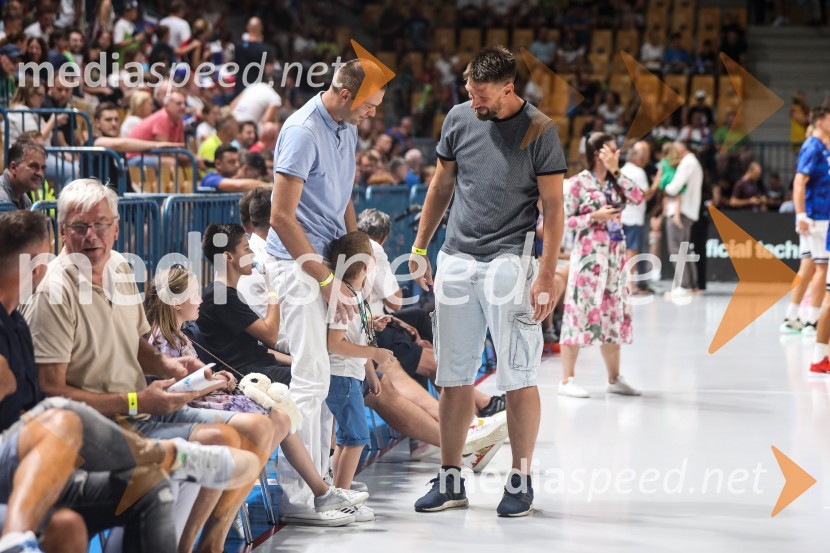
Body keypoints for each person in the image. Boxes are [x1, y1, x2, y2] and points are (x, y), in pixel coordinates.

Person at [19, 179, 274, 553]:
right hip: (99, 425)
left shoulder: (120, 267)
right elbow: (53, 392)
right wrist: (139, 401)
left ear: (117, 227)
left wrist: (171, 365)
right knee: (221, 441)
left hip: (141, 409)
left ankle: (208, 544)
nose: (92, 236)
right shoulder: (53, 294)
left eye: (101, 224)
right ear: (62, 232)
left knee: (261, 428)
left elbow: (137, 342)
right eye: (79, 226)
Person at [409, 46, 566, 517]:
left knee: (518, 376)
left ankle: (520, 480)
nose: (474, 102)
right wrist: (420, 247)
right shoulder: (458, 118)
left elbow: (554, 208)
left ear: (507, 88)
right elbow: (441, 185)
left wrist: (546, 274)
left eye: (482, 95)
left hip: (509, 262)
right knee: (454, 377)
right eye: (469, 92)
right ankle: (451, 477)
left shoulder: (540, 130)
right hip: (456, 256)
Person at [265, 59, 386, 526]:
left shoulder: (345, 127)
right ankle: (300, 498)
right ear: (343, 94)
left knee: (325, 379)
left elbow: (343, 197)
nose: (372, 116)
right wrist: (323, 278)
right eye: (369, 107)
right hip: (298, 266)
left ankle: (328, 488)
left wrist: (359, 255)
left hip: (330, 263)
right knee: (311, 379)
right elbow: (280, 216)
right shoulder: (302, 130)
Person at [144, 264, 369, 516]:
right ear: (176, 303)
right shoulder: (162, 340)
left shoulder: (181, 336)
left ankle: (320, 492)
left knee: (281, 416)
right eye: (194, 295)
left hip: (210, 400)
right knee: (277, 418)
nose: (200, 301)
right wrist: (217, 381)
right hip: (194, 408)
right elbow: (176, 392)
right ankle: (240, 497)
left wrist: (218, 378)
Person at [559, 132, 645, 399]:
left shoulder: (617, 182)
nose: (617, 153)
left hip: (615, 258)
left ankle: (614, 378)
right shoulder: (577, 184)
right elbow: (565, 221)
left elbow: (638, 197)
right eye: (613, 150)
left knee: (612, 314)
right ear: (598, 153)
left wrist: (616, 172)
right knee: (578, 312)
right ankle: (567, 380)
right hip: (587, 259)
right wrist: (593, 217)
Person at [325, 231, 385, 522]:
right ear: (365, 265)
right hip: (340, 376)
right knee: (357, 438)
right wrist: (374, 355)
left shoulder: (355, 294)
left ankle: (338, 493)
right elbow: (334, 343)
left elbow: (360, 337)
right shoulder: (344, 296)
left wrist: (370, 373)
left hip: (351, 374)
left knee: (347, 438)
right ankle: (341, 498)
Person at [793, 108, 830, 371]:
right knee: (819, 268)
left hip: (823, 216)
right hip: (817, 216)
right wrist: (802, 214)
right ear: (820, 120)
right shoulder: (813, 147)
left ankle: (802, 318)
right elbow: (799, 182)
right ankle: (809, 319)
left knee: (815, 268)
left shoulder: (823, 148)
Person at [663, 140, 704, 296]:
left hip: (680, 211)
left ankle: (684, 286)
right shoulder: (694, 162)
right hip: (689, 210)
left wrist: (665, 188)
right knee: (684, 249)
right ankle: (692, 285)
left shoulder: (687, 163)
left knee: (676, 248)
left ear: (680, 149)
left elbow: (675, 187)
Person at [620, 141, 659, 290]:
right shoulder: (638, 172)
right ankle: (630, 285)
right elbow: (645, 195)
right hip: (634, 217)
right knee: (633, 250)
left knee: (623, 250)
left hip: (622, 215)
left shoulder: (622, 170)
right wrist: (656, 183)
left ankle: (623, 283)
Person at [126, 91, 186, 166]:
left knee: (187, 162)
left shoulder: (178, 119)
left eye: (184, 103)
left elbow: (181, 147)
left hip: (152, 156)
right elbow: (164, 150)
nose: (183, 107)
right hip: (135, 157)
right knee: (171, 162)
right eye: (178, 104)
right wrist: (190, 158)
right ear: (167, 105)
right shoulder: (162, 116)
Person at [199, 144, 269, 192]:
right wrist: (271, 187)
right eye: (231, 162)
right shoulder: (210, 178)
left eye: (238, 161)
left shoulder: (233, 179)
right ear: (218, 164)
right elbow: (238, 186)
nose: (237, 165)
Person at [0, 140, 46, 209]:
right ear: (13, 168)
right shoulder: (1, 196)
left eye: (43, 168)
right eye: (33, 166)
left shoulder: (23, 196)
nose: (40, 173)